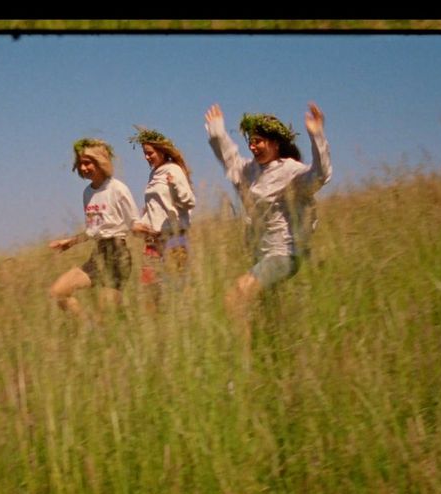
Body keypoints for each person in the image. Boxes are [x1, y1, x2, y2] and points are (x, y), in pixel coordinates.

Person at [205, 102, 332, 333]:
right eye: (251, 141)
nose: (253, 147)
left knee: (235, 297)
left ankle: (244, 364)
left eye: (259, 141)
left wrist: (317, 136)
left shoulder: (289, 169)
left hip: (283, 253)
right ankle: (275, 353)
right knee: (269, 316)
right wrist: (217, 131)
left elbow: (319, 175)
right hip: (260, 254)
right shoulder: (249, 171)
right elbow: (229, 159)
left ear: (275, 143)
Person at [49, 138, 140, 316]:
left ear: (100, 162)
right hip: (97, 255)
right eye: (80, 164)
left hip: (117, 255)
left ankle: (105, 331)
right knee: (57, 292)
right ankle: (88, 328)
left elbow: (134, 223)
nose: (83, 168)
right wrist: (71, 242)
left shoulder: (117, 188)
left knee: (105, 317)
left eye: (87, 163)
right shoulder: (88, 192)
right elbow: (93, 230)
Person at [129, 127, 196, 297]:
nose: (146, 157)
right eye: (144, 153)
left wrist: (175, 186)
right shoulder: (154, 174)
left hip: (173, 237)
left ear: (161, 151)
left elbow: (189, 202)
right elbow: (155, 208)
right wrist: (140, 225)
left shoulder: (173, 170)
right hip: (154, 240)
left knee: (177, 289)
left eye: (150, 153)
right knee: (149, 289)